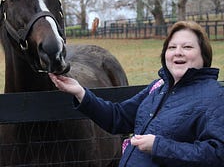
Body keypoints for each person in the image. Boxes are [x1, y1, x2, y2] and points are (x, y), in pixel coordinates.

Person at [49, 21, 224, 167]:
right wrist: (81, 93)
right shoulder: (158, 86)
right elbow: (118, 118)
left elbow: (217, 154)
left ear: (204, 55)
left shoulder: (214, 96)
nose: (178, 52)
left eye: (187, 47)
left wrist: (158, 146)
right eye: (172, 47)